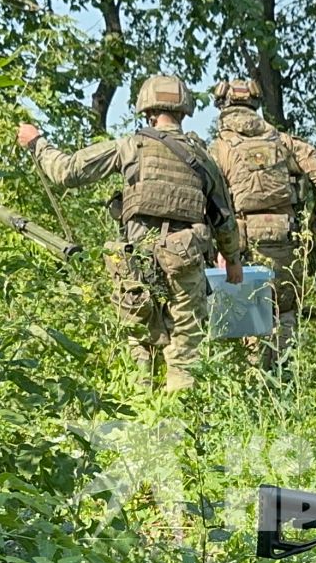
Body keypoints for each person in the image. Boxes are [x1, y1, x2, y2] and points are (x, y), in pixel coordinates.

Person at [16, 75, 244, 392]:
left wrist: (36, 142)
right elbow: (224, 217)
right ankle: (184, 421)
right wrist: (232, 260)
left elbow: (66, 172)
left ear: (148, 110)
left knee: (141, 350)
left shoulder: (129, 147)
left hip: (136, 262)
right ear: (184, 111)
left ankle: (143, 417)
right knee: (184, 355)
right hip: (185, 259)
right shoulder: (203, 159)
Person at [207, 78, 316, 358]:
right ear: (255, 105)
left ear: (223, 106)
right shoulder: (283, 141)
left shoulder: (218, 148)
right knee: (286, 311)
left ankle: (258, 381)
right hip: (286, 237)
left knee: (249, 314)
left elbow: (209, 198)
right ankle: (285, 373)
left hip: (241, 242)